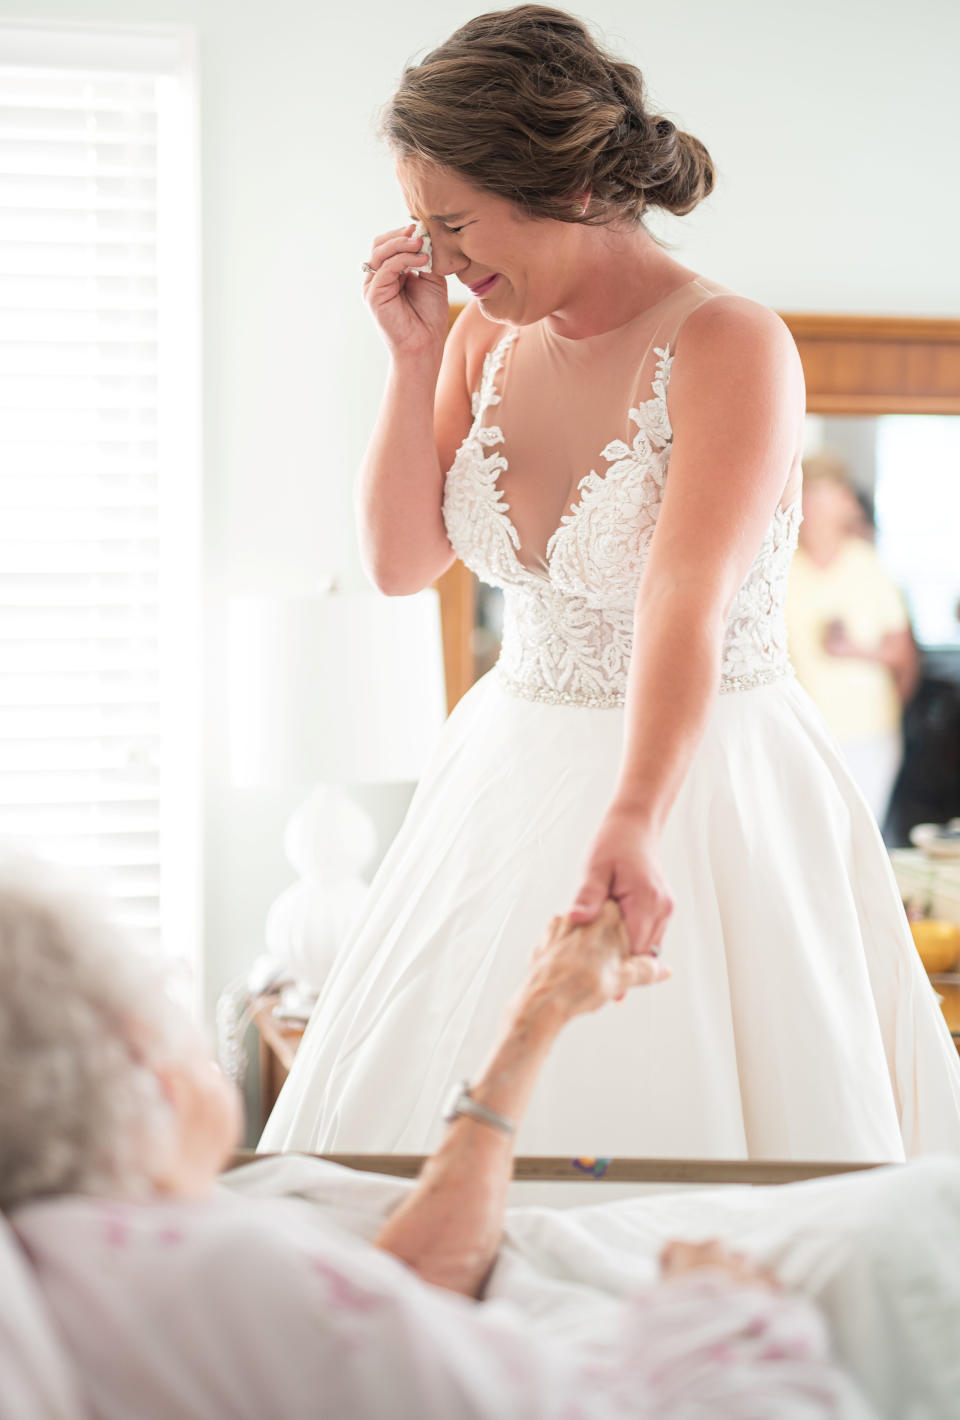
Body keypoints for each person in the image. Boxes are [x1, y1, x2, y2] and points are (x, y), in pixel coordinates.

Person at [262, 4, 960, 1162]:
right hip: (503, 775)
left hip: (703, 780)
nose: (438, 257)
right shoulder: (482, 338)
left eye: (453, 223)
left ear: (569, 185)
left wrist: (634, 820)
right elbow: (397, 563)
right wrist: (414, 355)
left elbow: (680, 602)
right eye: (419, 229)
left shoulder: (732, 345)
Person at [0, 853, 872, 1420]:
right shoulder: (205, 1271)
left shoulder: (83, 1253)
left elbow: (395, 1295)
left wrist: (535, 1016)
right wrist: (719, 1313)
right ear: (136, 1058)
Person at [786, 452, 919, 827]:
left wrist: (855, 650)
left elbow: (903, 655)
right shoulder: (779, 567)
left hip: (866, 735)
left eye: (825, 496)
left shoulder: (867, 565)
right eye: (808, 496)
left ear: (844, 502)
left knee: (856, 840)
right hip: (798, 734)